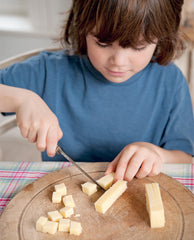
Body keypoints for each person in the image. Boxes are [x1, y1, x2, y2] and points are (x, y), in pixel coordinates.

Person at [0, 0, 194, 182]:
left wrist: (156, 154)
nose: (118, 61)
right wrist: (21, 99)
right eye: (103, 44)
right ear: (82, 27)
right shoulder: (49, 71)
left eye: (138, 47)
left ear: (161, 38)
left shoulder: (170, 81)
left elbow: (184, 158)